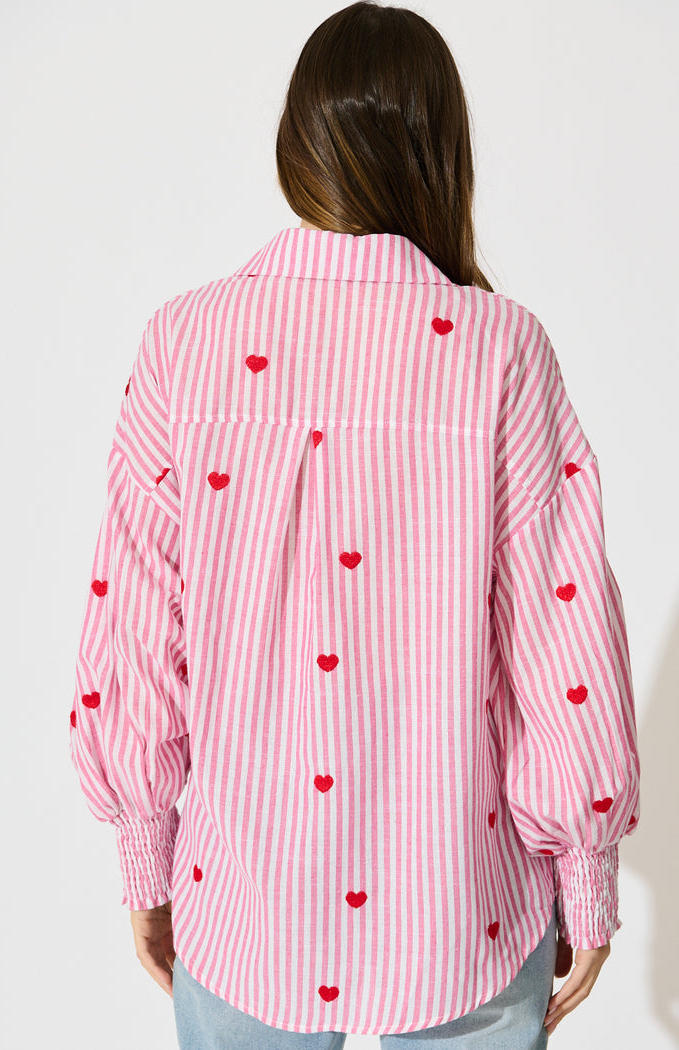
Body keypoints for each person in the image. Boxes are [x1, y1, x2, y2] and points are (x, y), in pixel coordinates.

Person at [68, 2, 641, 1047]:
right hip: (463, 910)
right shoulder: (500, 350)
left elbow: (135, 625)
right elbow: (563, 638)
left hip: (245, 906)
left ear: (297, 147)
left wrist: (145, 859)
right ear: (441, 151)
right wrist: (587, 875)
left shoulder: (184, 343)